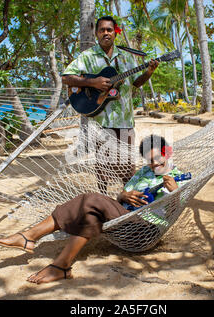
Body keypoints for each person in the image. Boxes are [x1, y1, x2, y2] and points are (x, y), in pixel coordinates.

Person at [0, 135, 187, 284]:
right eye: (149, 160)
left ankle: (30, 237)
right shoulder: (145, 172)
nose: (154, 164)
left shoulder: (182, 178)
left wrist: (175, 192)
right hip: (123, 219)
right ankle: (61, 266)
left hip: (145, 230)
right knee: (90, 213)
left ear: (168, 152)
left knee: (90, 199)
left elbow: (173, 213)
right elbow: (122, 195)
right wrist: (123, 196)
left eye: (157, 158)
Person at [61, 16, 159, 193]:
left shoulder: (127, 57)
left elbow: (135, 83)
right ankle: (104, 200)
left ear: (115, 33)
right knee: (102, 170)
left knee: (128, 168)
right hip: (100, 123)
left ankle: (129, 202)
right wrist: (94, 82)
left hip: (125, 122)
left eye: (109, 30)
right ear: (96, 33)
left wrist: (149, 72)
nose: (106, 33)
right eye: (102, 30)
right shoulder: (87, 57)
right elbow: (66, 78)